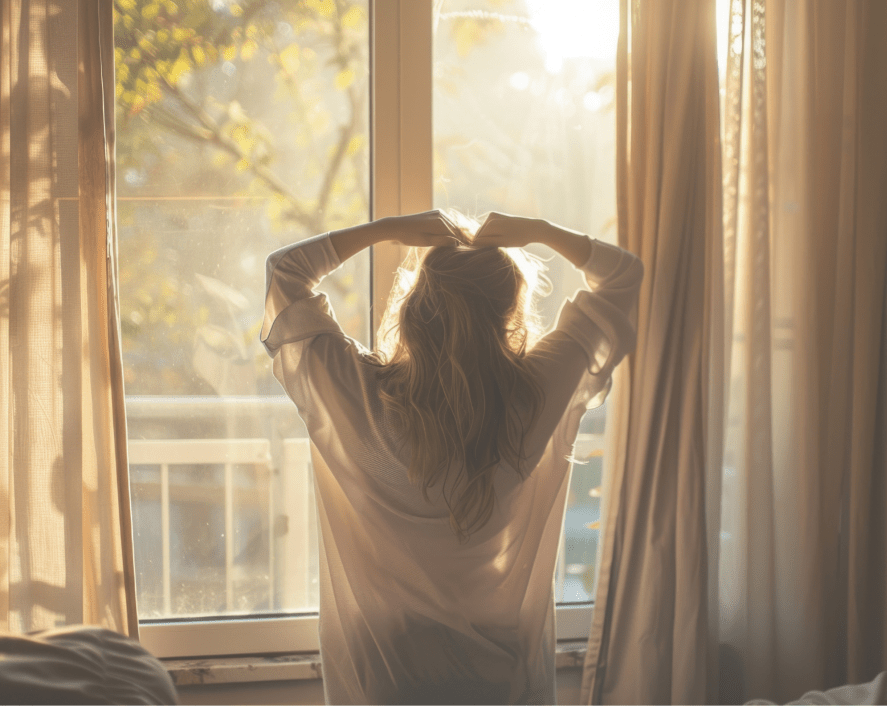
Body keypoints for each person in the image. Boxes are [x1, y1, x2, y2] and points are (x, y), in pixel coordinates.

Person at [261, 210, 643, 705]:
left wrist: (387, 229)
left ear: (415, 308)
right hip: (501, 673)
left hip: (388, 668)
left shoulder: (359, 396)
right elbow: (622, 276)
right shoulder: (532, 397)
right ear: (508, 314)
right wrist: (541, 232)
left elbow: (285, 273)